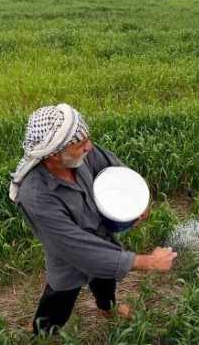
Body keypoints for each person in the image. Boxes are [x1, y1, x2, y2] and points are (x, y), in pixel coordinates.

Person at [9, 103, 178, 336]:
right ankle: (44, 335)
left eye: (88, 139)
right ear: (54, 154)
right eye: (81, 144)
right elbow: (79, 250)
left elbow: (115, 168)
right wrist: (148, 262)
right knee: (59, 298)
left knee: (105, 281)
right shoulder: (37, 196)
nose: (89, 146)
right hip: (68, 256)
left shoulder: (81, 154)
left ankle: (107, 309)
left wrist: (139, 203)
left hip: (102, 238)